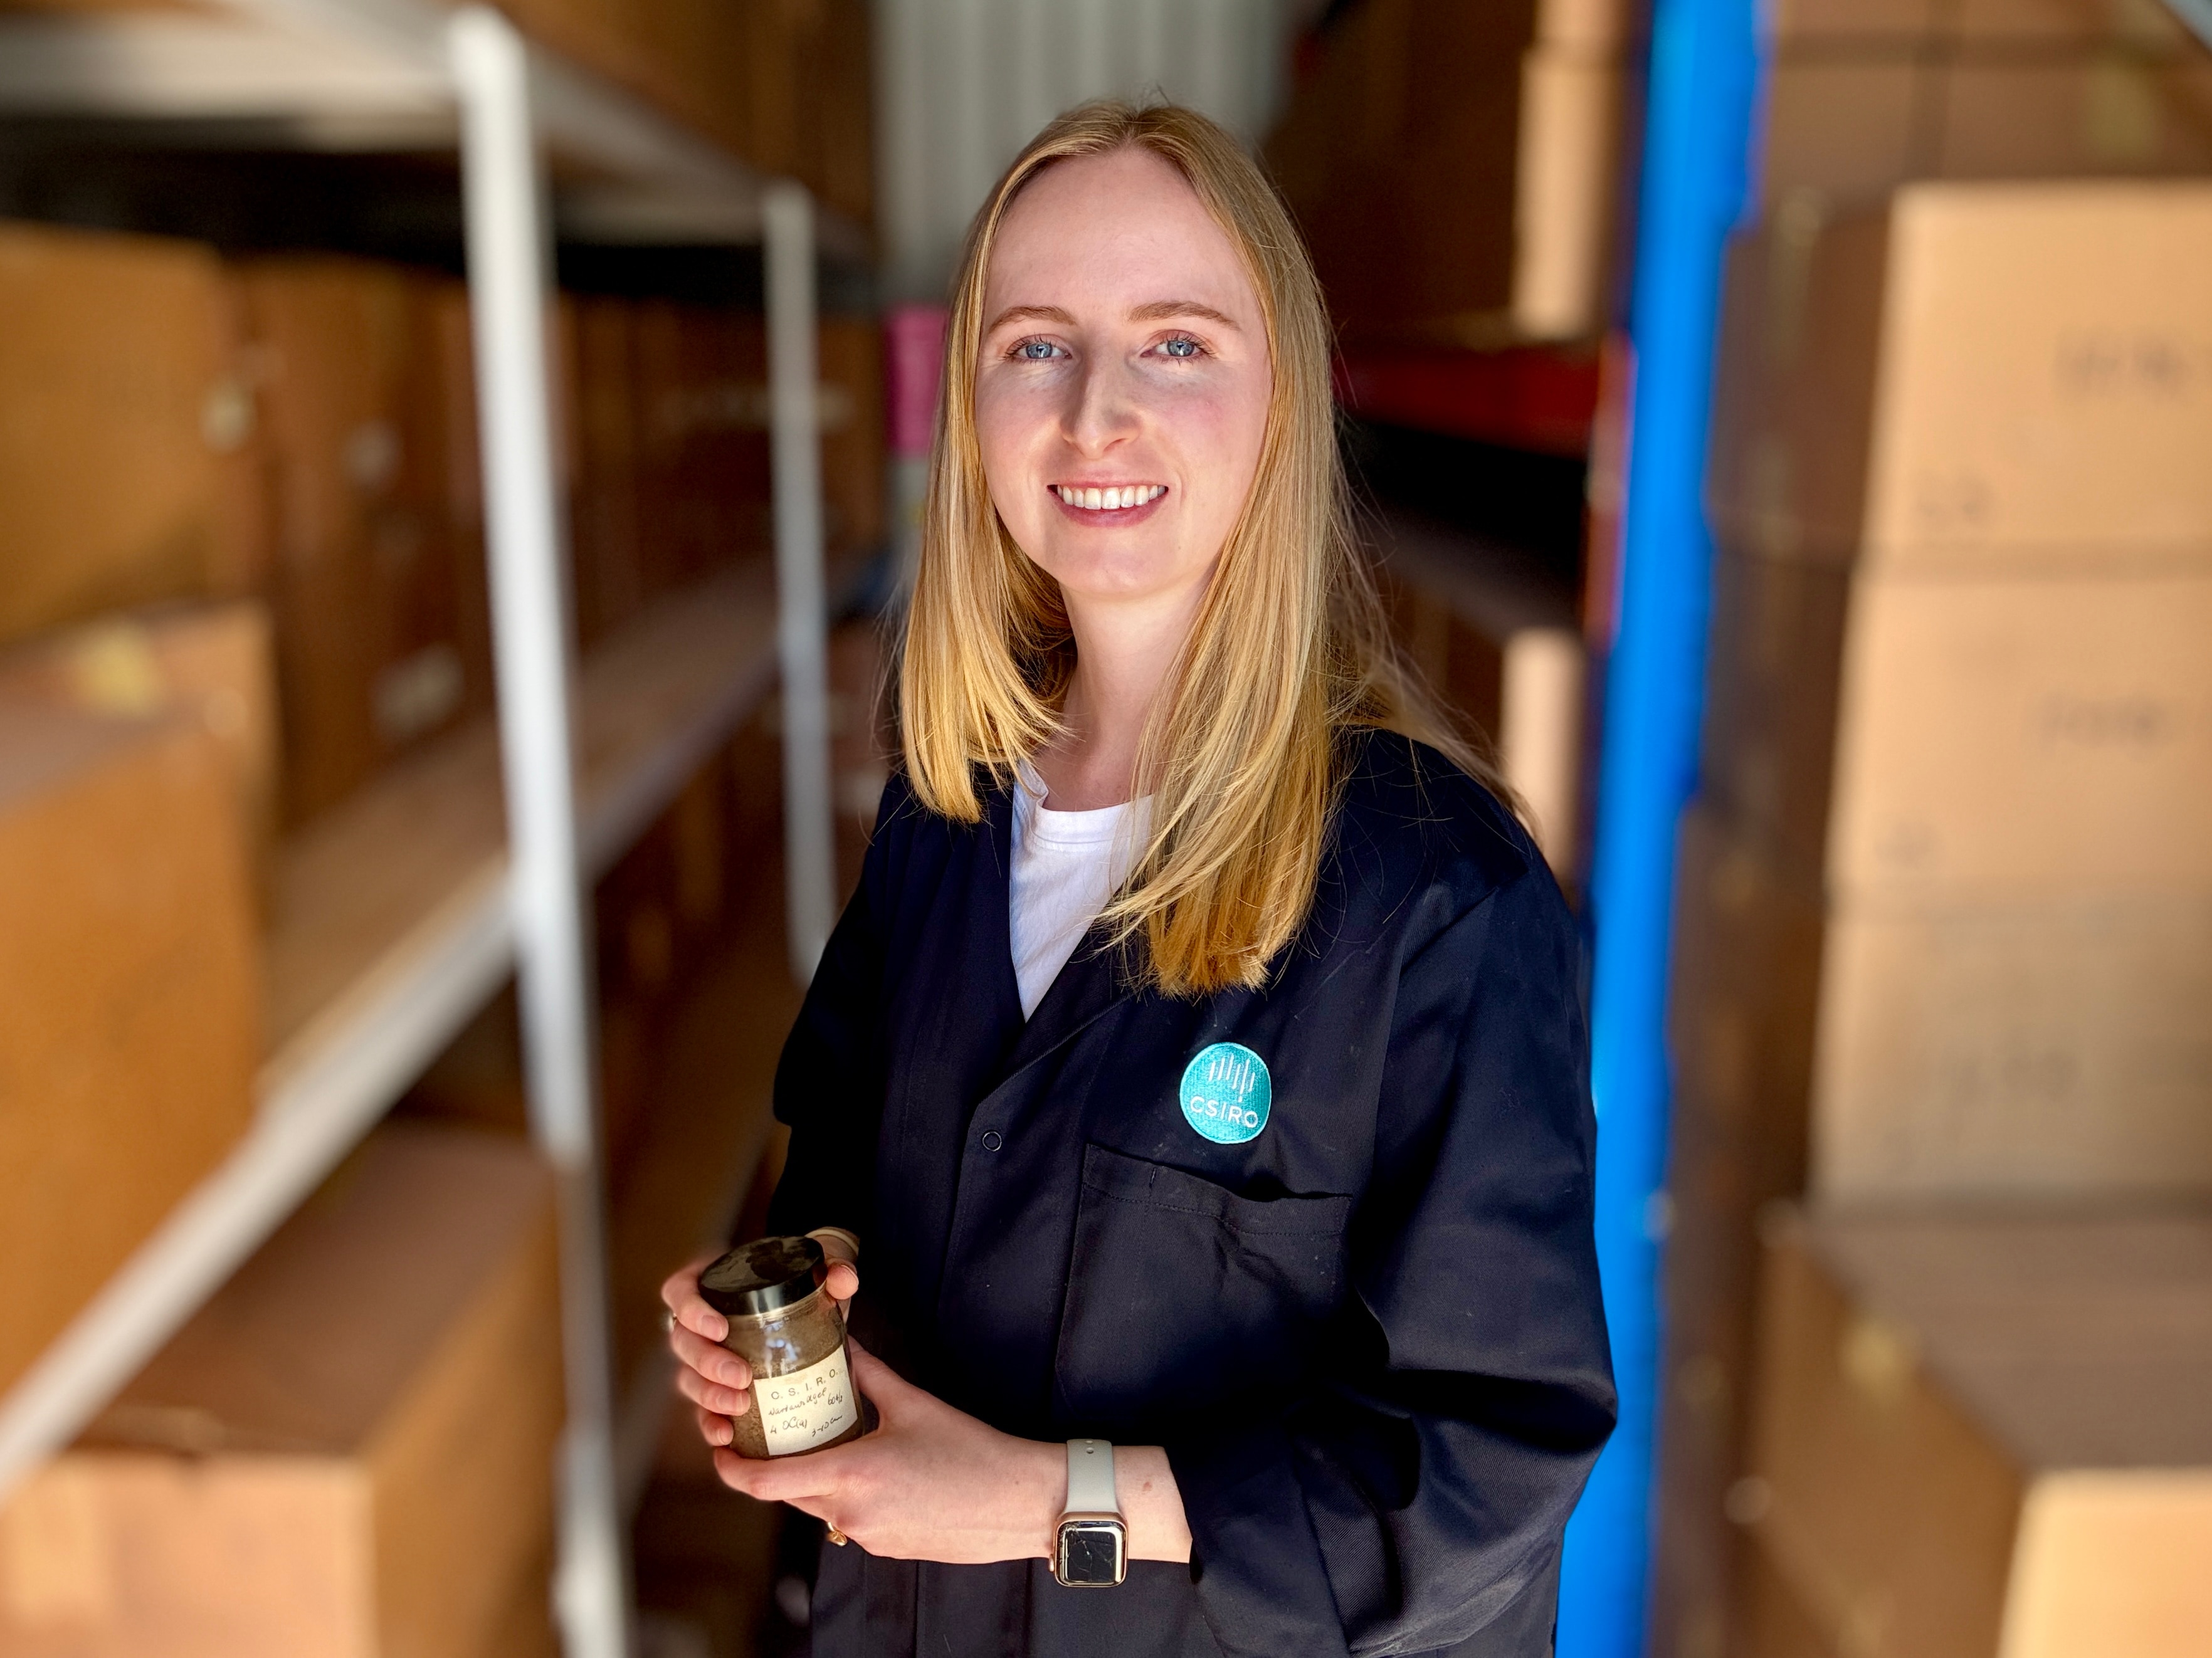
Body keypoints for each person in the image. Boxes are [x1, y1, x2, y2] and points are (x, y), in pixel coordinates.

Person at [662, 100, 1613, 1657]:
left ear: (1284, 402)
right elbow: (840, 1154)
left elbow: (1486, 1471)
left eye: (1176, 344)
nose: (1095, 412)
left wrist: (1046, 1501)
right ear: (969, 406)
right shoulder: (946, 809)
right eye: (1035, 346)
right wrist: (791, 1291)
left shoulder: (1435, 901)